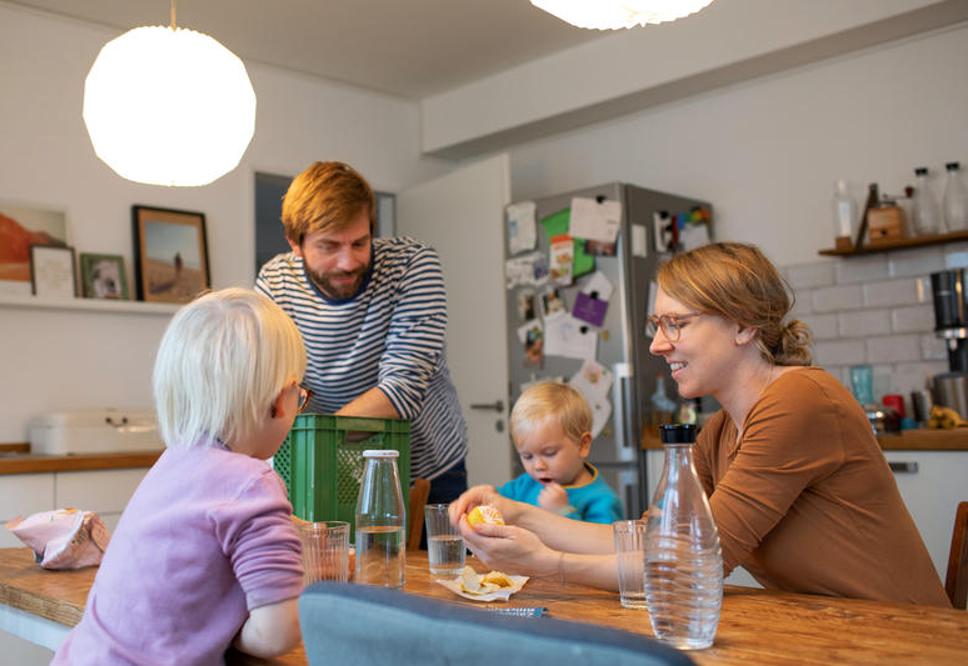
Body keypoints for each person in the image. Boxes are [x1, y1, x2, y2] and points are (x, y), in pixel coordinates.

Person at [452, 242, 950, 607]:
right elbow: (652, 539)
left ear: (743, 324)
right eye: (657, 326)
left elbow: (693, 565)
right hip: (831, 631)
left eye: (678, 324)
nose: (657, 345)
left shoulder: (799, 400)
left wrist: (546, 563)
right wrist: (519, 515)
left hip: (906, 638)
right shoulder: (718, 432)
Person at [52, 289, 309, 664]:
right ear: (282, 399)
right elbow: (278, 633)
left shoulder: (171, 465)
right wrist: (223, 630)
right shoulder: (253, 482)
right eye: (301, 397)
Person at [256, 161, 468, 504]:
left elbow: (401, 391)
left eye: (359, 243)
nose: (348, 262)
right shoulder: (276, 282)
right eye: (329, 246)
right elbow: (274, 388)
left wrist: (315, 447)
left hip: (423, 468)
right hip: (324, 468)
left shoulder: (412, 264)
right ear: (295, 243)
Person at [499, 382, 622, 524]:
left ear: (583, 444)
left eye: (549, 453)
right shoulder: (526, 484)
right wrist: (485, 495)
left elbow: (602, 545)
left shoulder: (602, 500)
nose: (538, 465)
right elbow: (498, 499)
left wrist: (562, 512)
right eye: (527, 456)